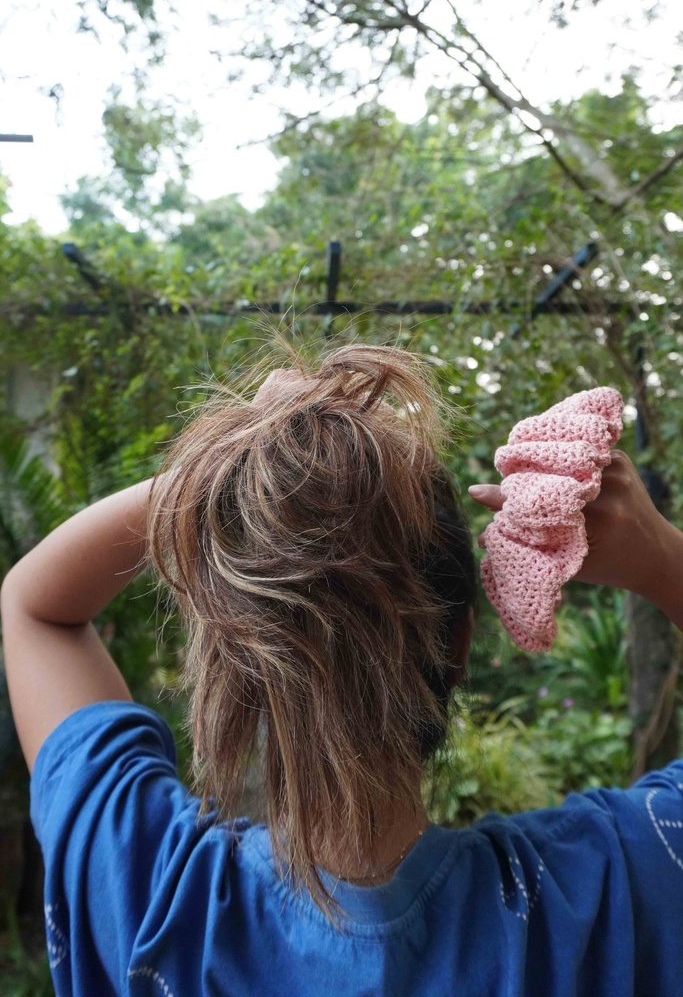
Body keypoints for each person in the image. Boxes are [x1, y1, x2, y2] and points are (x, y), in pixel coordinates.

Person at [1, 342, 682, 997]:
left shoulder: (148, 892)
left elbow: (35, 610)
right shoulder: (613, 886)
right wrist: (659, 553)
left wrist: (236, 471)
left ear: (240, 661)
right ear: (460, 646)